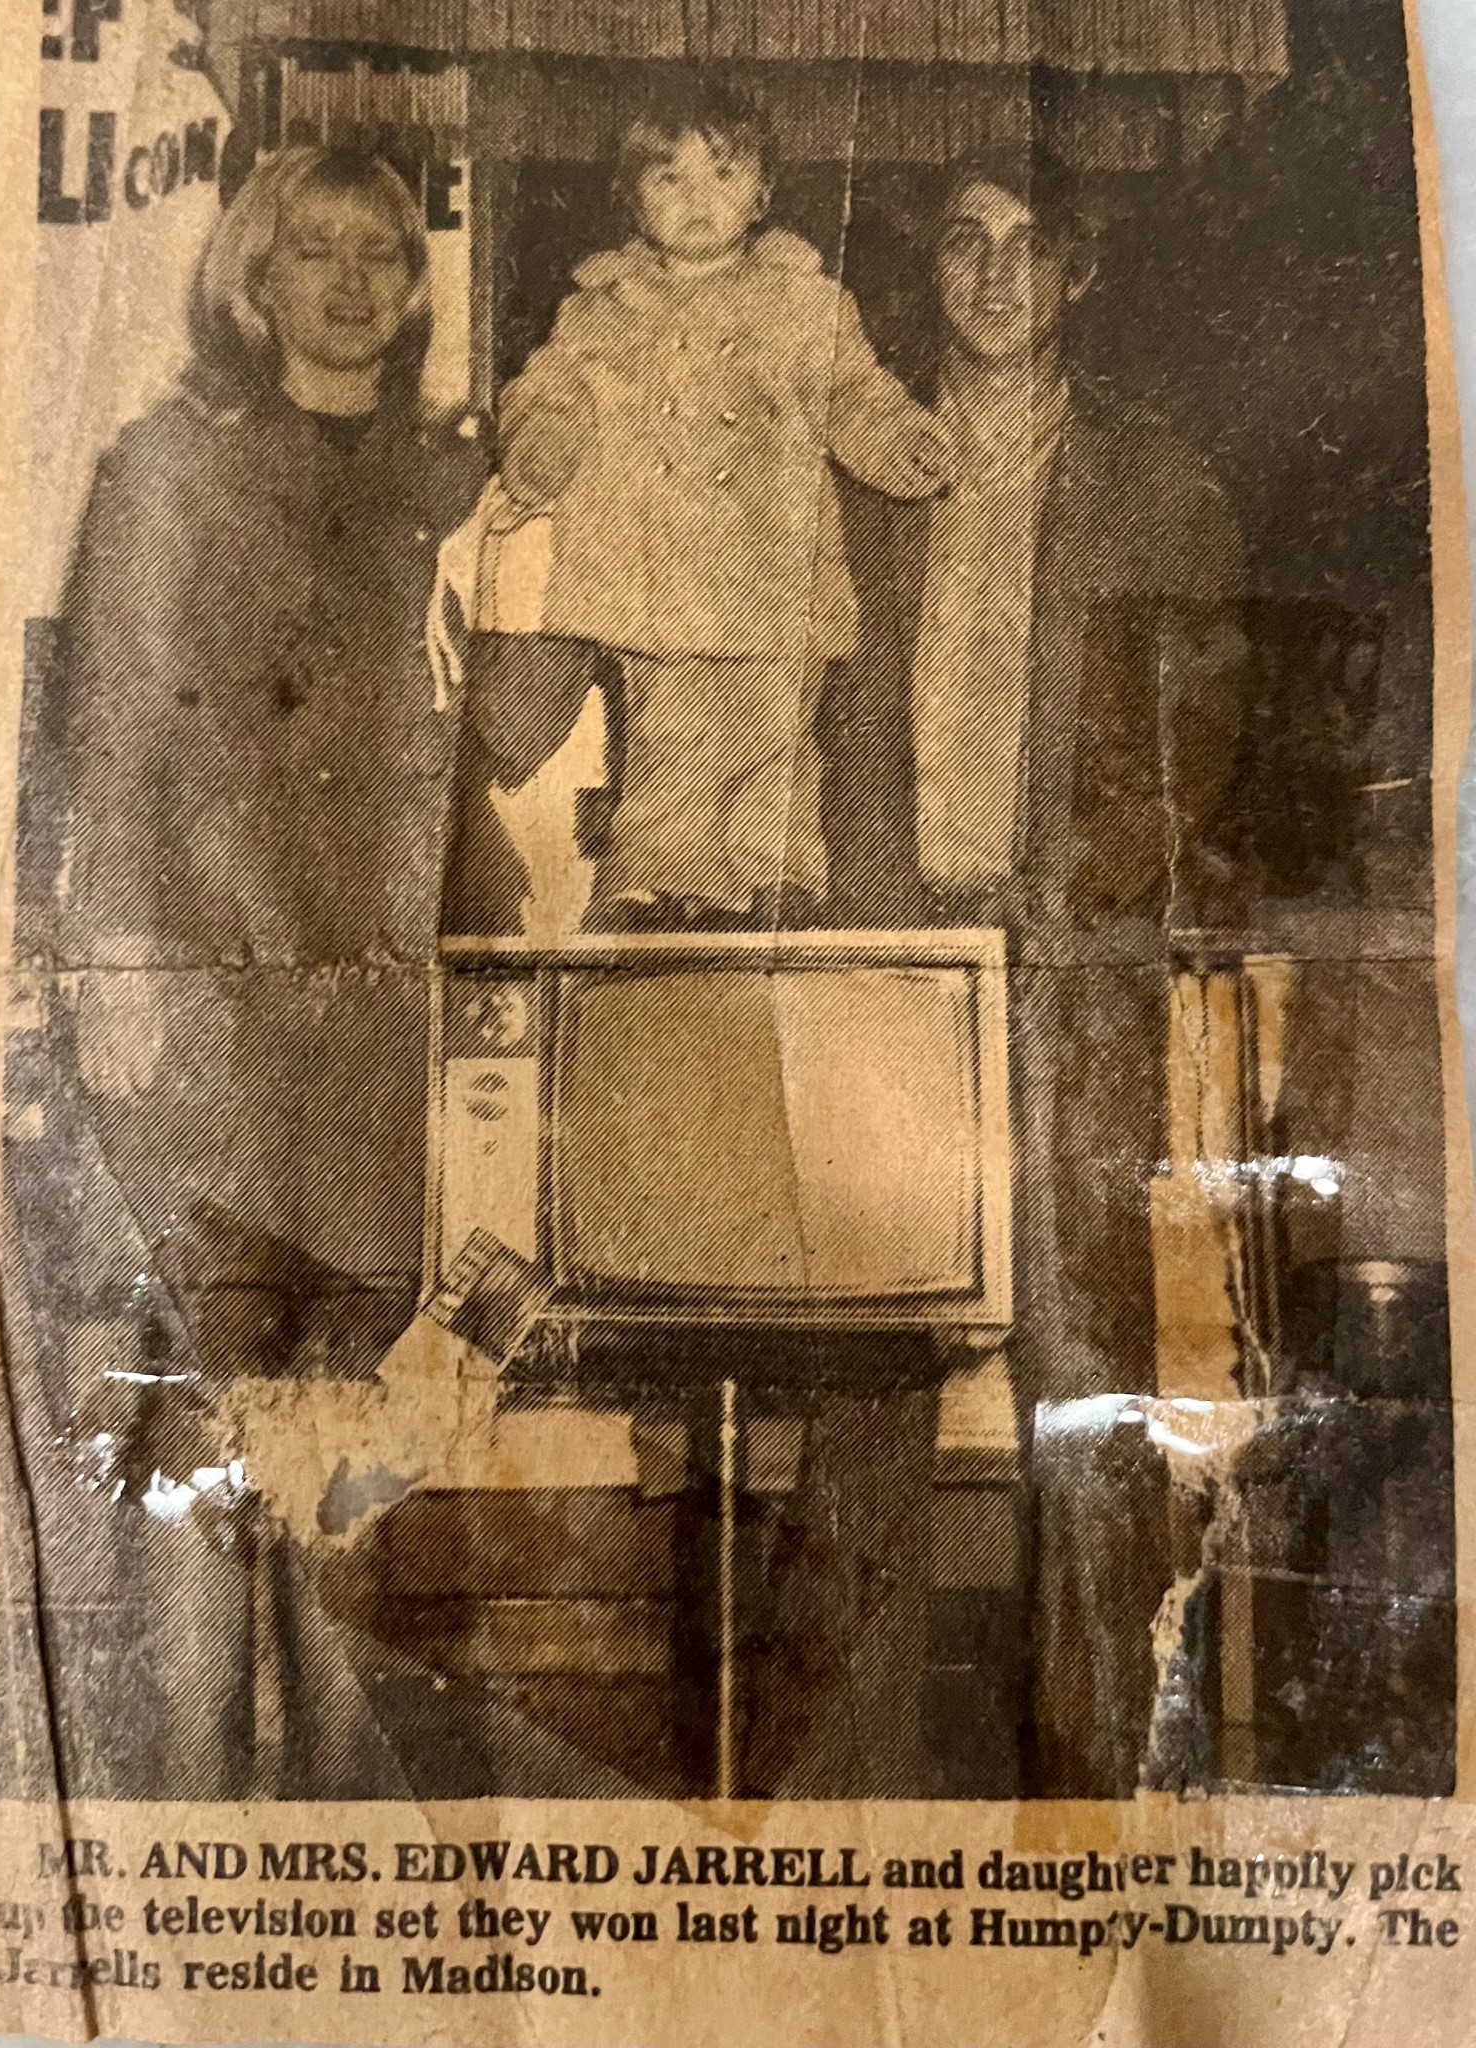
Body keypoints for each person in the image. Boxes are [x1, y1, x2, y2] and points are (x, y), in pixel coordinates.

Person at [757, 151, 1251, 1799]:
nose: (992, 274)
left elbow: (1202, 745)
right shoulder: (862, 477)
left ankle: (1086, 1803)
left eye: (1028, 246)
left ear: (1078, 273)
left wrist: (1084, 894)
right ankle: (839, 1810)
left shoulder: (1157, 484)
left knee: (1084, 1387)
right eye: (965, 243)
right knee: (866, 1382)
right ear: (929, 271)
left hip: (1069, 985)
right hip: (893, 978)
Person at [42, 145, 490, 1797]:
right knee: (204, 1402)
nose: (352, 280)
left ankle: (341, 1843)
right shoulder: (166, 467)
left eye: (383, 250)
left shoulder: (448, 481)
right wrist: (122, 954)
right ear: (254, 274)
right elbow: (107, 730)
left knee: (351, 1414)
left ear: (417, 285)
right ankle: (189, 1834)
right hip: (207, 1008)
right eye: (316, 248)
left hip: (375, 1025)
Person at [464, 76, 954, 933]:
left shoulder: (807, 304)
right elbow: (545, 392)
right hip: (659, 574)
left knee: (774, 736)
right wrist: (540, 444)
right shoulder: (597, 312)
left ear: (763, 192)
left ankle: (775, 882)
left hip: (772, 570)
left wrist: (896, 440)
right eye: (670, 178)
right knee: (670, 737)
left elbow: (853, 394)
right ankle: (657, 884)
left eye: (723, 175)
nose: (698, 199)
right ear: (631, 198)